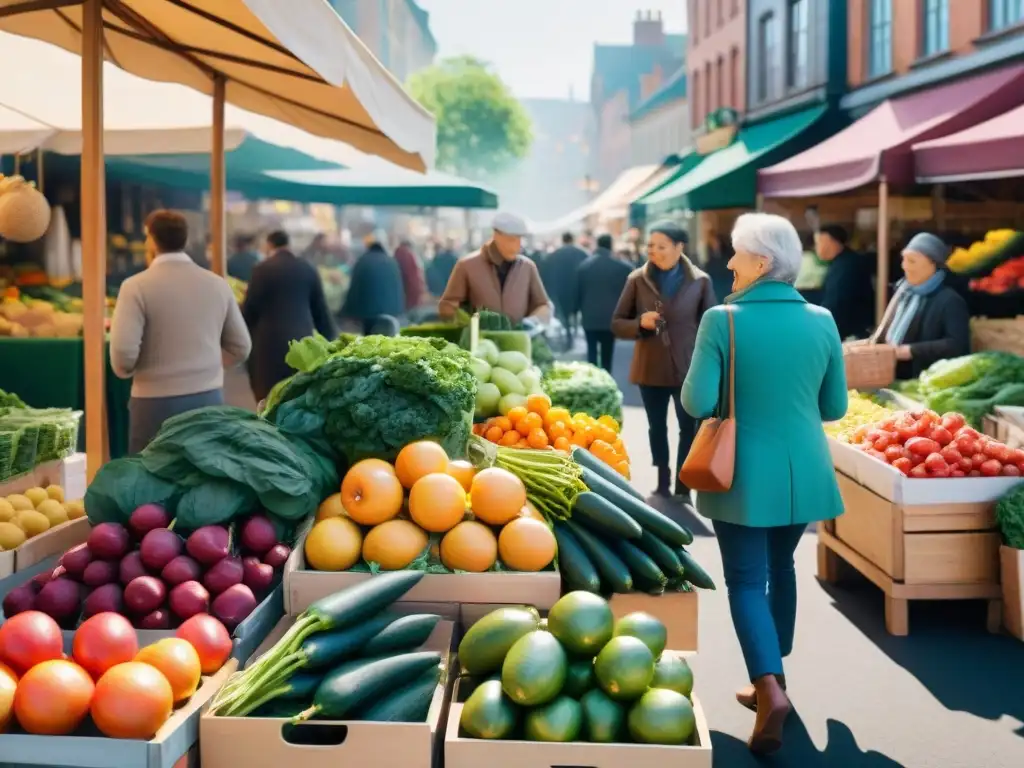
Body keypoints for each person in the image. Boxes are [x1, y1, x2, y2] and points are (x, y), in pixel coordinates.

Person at [681, 213, 847, 754]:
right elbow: (835, 406)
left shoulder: (721, 320)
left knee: (747, 581)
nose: (727, 262)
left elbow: (697, 402)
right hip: (805, 472)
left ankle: (767, 686)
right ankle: (777, 679)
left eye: (735, 252)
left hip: (742, 475)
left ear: (761, 262)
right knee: (782, 568)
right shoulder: (822, 319)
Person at [110, 210, 251, 453]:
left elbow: (123, 355)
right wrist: (208, 367)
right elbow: (241, 347)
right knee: (204, 477)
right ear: (184, 240)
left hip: (153, 405)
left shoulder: (135, 287)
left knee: (152, 479)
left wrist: (129, 371)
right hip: (209, 399)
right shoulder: (217, 284)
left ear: (151, 240)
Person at [611, 222, 716, 496]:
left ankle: (683, 484)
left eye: (661, 247)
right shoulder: (637, 279)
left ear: (679, 247)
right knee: (656, 426)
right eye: (650, 246)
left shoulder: (700, 281)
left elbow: (713, 324)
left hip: (688, 368)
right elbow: (617, 323)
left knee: (688, 427)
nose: (653, 252)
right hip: (651, 367)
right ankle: (662, 479)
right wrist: (639, 323)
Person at [242, 230, 336, 402]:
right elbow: (321, 312)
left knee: (269, 400)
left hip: (268, 345)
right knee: (297, 398)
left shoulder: (261, 270)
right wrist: (332, 343)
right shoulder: (307, 268)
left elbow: (249, 312)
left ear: (269, 245)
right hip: (301, 343)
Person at [872, 232, 970, 379]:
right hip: (891, 376)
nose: (905, 266)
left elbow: (957, 344)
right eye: (904, 260)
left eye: (912, 261)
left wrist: (910, 351)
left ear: (933, 264)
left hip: (926, 381)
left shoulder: (950, 301)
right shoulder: (903, 293)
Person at [438, 212, 552, 325]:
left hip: (519, 340)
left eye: (519, 240)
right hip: (479, 340)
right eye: (511, 240)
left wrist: (531, 322)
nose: (516, 246)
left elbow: (543, 305)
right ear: (496, 236)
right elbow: (448, 305)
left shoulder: (528, 267)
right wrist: (469, 325)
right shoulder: (467, 265)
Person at [578, 234, 631, 372]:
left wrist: (575, 309)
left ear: (598, 245)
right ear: (611, 245)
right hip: (611, 317)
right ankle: (607, 376)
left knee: (592, 351)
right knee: (608, 352)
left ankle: (593, 378)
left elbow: (578, 292)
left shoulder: (584, 267)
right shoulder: (623, 268)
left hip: (589, 316)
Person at [340, 228, 405, 334]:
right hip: (392, 313)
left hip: (368, 314)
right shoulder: (391, 262)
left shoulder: (362, 261)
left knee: (369, 340)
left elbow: (354, 289)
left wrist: (346, 311)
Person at [816, 224, 874, 340]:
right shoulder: (843, 262)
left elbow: (836, 302)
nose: (817, 247)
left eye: (820, 242)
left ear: (833, 243)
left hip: (853, 332)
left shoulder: (846, 265)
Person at [545, 232, 588, 342]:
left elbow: (547, 272)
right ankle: (574, 330)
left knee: (564, 311)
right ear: (572, 239)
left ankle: (569, 331)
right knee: (576, 311)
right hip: (578, 287)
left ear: (563, 240)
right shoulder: (582, 253)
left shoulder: (554, 255)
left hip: (561, 287)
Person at [394, 239, 426, 310]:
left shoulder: (394, 256)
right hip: (411, 297)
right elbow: (415, 279)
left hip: (399, 298)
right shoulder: (410, 256)